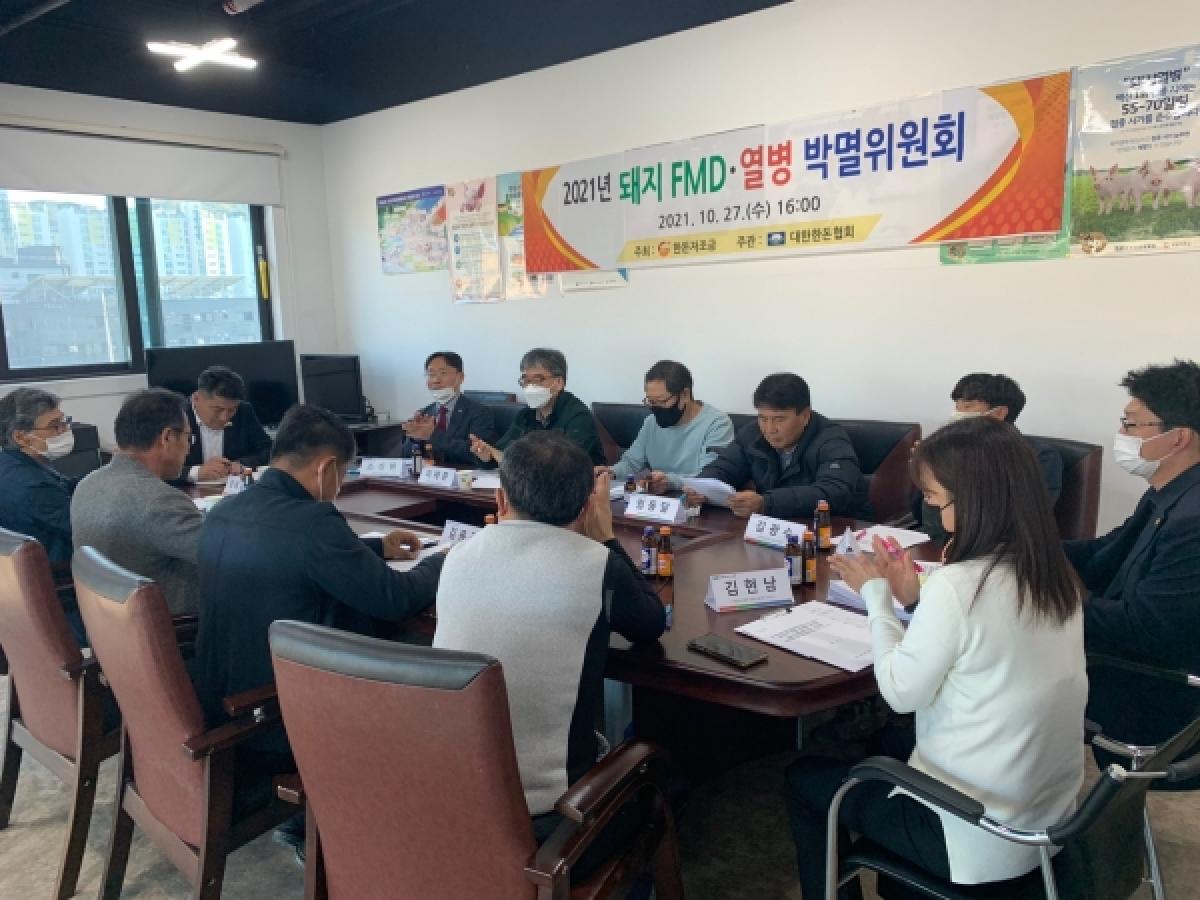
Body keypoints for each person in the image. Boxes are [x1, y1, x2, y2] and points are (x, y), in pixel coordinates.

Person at [787, 417, 1086, 899]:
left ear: (974, 500)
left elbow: (900, 694)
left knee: (805, 779)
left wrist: (877, 598)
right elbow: (984, 645)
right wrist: (913, 600)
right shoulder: (1054, 574)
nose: (930, 510)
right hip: (1045, 821)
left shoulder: (960, 585)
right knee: (878, 742)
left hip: (974, 834)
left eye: (933, 498)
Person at [434, 431, 665, 876]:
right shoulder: (596, 563)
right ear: (586, 507)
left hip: (450, 800)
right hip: (550, 824)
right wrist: (607, 538)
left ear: (501, 499)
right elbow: (649, 622)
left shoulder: (457, 555)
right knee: (665, 780)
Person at [193, 404, 445, 754]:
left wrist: (376, 547)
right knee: (423, 652)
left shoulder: (223, 511)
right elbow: (397, 598)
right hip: (284, 716)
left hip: (222, 705)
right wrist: (446, 559)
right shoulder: (313, 521)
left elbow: (284, 553)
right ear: (326, 468)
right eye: (342, 474)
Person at [1066, 360, 1200, 757]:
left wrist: (1046, 598)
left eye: (1131, 424)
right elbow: (1104, 555)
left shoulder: (1193, 520)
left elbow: (1144, 628)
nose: (1121, 435)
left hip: (1154, 695)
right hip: (1124, 656)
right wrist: (1025, 549)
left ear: (1178, 438)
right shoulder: (1169, 492)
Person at [71, 389, 203, 616]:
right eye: (187, 437)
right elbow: (224, 554)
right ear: (167, 437)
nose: (189, 448)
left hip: (106, 621)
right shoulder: (160, 501)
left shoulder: (88, 483)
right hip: (170, 625)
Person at [687, 373, 869, 519]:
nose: (769, 429)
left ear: (805, 416)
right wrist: (700, 487)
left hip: (836, 530)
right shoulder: (752, 433)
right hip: (777, 527)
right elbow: (724, 467)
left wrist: (767, 503)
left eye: (779, 419)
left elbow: (834, 492)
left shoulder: (831, 439)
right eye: (763, 418)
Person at [918, 373, 1063, 537]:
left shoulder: (1040, 456)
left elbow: (1020, 519)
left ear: (999, 413)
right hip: (938, 541)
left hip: (1003, 546)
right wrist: (925, 474)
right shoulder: (949, 451)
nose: (957, 414)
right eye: (957, 407)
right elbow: (920, 516)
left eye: (967, 407)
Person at [607, 360, 735, 493]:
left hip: (696, 500)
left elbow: (710, 477)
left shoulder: (717, 424)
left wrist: (670, 482)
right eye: (651, 401)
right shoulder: (651, 422)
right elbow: (631, 462)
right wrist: (611, 473)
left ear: (685, 395)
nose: (655, 408)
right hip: (657, 499)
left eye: (661, 401)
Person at [469, 348, 605, 467]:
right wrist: (487, 456)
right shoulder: (525, 415)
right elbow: (502, 452)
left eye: (538, 380)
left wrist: (511, 460)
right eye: (526, 380)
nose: (530, 386)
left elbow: (565, 464)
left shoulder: (578, 416)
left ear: (559, 382)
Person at [0, 388, 78, 569]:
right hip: (61, 572)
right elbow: (85, 529)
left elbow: (64, 485)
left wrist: (106, 475)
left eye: (65, 422)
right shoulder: (31, 486)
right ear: (21, 437)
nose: (65, 430)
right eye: (55, 426)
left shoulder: (10, 463)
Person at [173, 365, 273, 486]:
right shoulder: (176, 415)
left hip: (232, 489)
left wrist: (241, 464)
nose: (224, 417)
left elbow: (269, 450)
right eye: (217, 409)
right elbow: (157, 466)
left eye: (231, 410)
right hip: (184, 491)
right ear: (196, 398)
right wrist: (196, 472)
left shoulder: (244, 411)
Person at [398, 351, 498, 465]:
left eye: (443, 373)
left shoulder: (480, 413)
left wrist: (433, 435)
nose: (435, 380)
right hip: (429, 474)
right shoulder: (424, 413)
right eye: (431, 374)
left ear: (460, 377)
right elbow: (404, 457)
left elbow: (480, 455)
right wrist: (415, 438)